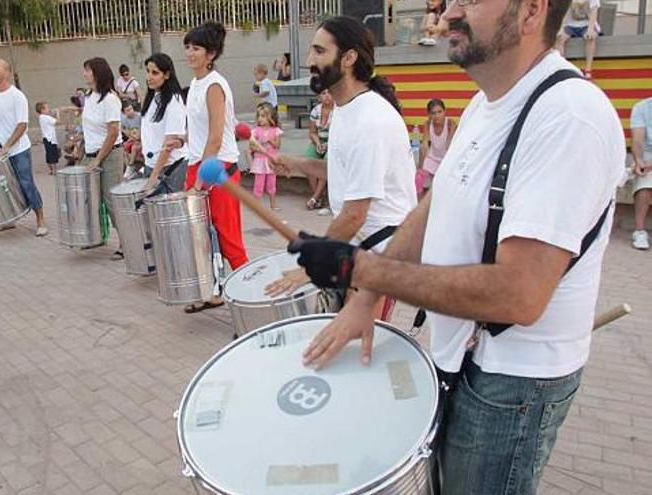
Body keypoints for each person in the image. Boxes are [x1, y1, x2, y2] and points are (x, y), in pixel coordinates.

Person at [294, 2, 624, 493]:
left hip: (511, 388)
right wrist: (363, 297)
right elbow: (435, 203)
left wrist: (360, 269)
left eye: (468, 0)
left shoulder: (568, 116)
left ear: (530, 11)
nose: (447, 14)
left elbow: (518, 295)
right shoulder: (486, 102)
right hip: (463, 360)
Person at [266, 17, 416, 320]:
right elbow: (344, 171)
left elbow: (355, 213)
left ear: (348, 58)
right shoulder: (347, 109)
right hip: (362, 246)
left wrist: (311, 267)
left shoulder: (370, 120)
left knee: (358, 351)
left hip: (381, 254)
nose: (309, 61)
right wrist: (296, 163)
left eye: (320, 52)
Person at [183, 21, 250, 313]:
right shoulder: (196, 84)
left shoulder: (214, 85)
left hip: (216, 168)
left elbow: (215, 136)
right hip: (196, 164)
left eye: (196, 48)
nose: (189, 53)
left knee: (229, 239)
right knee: (199, 237)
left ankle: (251, 302)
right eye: (187, 47)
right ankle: (213, 292)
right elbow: (198, 132)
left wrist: (200, 181)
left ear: (210, 54)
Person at [0, 58, 47, 236]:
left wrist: (8, 146)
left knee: (26, 184)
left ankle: (40, 219)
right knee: (2, 187)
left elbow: (22, 125)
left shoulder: (17, 96)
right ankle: (8, 220)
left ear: (7, 72)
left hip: (18, 149)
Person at [82, 57, 125, 259]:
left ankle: (126, 242)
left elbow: (113, 132)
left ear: (98, 73)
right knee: (91, 197)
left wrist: (98, 159)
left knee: (111, 199)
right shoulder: (90, 97)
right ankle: (98, 236)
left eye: (88, 70)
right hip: (91, 153)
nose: (84, 74)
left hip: (109, 155)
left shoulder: (110, 99)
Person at [140, 53, 188, 194]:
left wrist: (154, 176)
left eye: (155, 73)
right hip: (151, 164)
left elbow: (169, 143)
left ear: (166, 75)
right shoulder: (152, 97)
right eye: (148, 72)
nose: (149, 77)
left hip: (170, 167)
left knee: (170, 214)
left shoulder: (175, 100)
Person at [415, 98, 457, 197]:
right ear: (429, 114)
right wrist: (420, 168)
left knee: (442, 187)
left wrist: (447, 167)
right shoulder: (428, 124)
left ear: (444, 111)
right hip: (432, 157)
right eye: (433, 113)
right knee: (418, 179)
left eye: (439, 112)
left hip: (446, 158)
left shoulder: (451, 124)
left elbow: (450, 146)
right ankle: (418, 203)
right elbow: (424, 145)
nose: (437, 115)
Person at [248, 102, 282, 210]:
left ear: (271, 117)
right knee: (259, 183)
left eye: (263, 116)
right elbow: (252, 146)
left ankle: (273, 203)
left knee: (272, 183)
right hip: (260, 161)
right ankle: (257, 205)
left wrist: (270, 141)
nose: (260, 119)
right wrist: (259, 146)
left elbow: (277, 145)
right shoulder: (256, 131)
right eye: (259, 116)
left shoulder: (275, 131)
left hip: (271, 160)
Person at [305, 89, 333, 213]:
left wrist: (327, 145)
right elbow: (312, 132)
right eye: (323, 93)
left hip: (334, 142)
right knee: (308, 162)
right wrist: (318, 143)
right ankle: (319, 196)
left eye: (329, 93)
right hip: (319, 140)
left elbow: (341, 134)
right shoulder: (316, 111)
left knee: (325, 164)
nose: (327, 96)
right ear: (318, 97)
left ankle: (315, 197)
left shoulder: (338, 111)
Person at [556, 0, 600, 78]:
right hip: (571, 25)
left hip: (587, 24)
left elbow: (594, 13)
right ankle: (562, 67)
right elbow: (565, 13)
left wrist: (590, 29)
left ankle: (588, 69)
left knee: (591, 38)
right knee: (559, 38)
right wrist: (561, 28)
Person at [630, 97, 652, 250]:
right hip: (648, 153)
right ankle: (639, 231)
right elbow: (638, 140)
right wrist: (639, 160)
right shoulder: (641, 107)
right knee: (644, 182)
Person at [36, 101, 61, 175]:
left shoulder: (42, 117)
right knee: (52, 155)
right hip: (50, 139)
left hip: (46, 138)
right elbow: (58, 121)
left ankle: (51, 170)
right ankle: (54, 170)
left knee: (49, 155)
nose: (49, 109)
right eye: (47, 108)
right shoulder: (46, 117)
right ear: (42, 110)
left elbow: (50, 116)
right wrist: (58, 113)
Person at [121, 100, 143, 179]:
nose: (130, 111)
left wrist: (136, 138)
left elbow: (141, 132)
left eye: (131, 109)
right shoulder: (124, 120)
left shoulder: (140, 116)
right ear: (124, 112)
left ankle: (130, 167)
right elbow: (126, 132)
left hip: (141, 139)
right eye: (128, 110)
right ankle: (131, 168)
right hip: (133, 139)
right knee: (123, 148)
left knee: (134, 147)